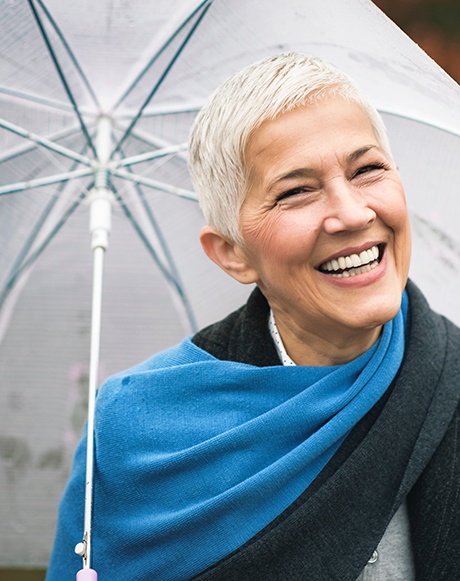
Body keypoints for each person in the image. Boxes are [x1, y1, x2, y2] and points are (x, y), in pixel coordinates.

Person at [47, 53, 460, 580]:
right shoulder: (136, 431)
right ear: (231, 253)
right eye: (296, 192)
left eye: (368, 169)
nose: (354, 213)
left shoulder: (449, 377)